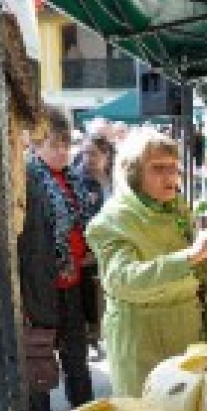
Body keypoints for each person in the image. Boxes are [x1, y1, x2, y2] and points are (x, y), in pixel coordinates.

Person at [85, 128, 207, 397]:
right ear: (133, 172)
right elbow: (123, 280)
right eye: (158, 168)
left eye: (174, 168)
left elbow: (188, 254)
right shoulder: (112, 221)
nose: (170, 177)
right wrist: (191, 255)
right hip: (143, 339)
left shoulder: (175, 205)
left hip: (187, 329)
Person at [18, 107, 95, 411]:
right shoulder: (26, 181)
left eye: (67, 145)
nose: (63, 151)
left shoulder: (74, 177)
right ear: (36, 146)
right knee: (40, 350)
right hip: (40, 284)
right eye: (54, 145)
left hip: (73, 279)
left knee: (76, 349)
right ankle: (40, 410)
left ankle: (82, 403)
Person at [78, 133, 115, 360]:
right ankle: (92, 339)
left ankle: (102, 336)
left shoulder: (115, 178)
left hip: (111, 248)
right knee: (90, 298)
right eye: (85, 153)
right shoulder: (80, 180)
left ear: (106, 155)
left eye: (93, 154)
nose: (87, 159)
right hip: (90, 251)